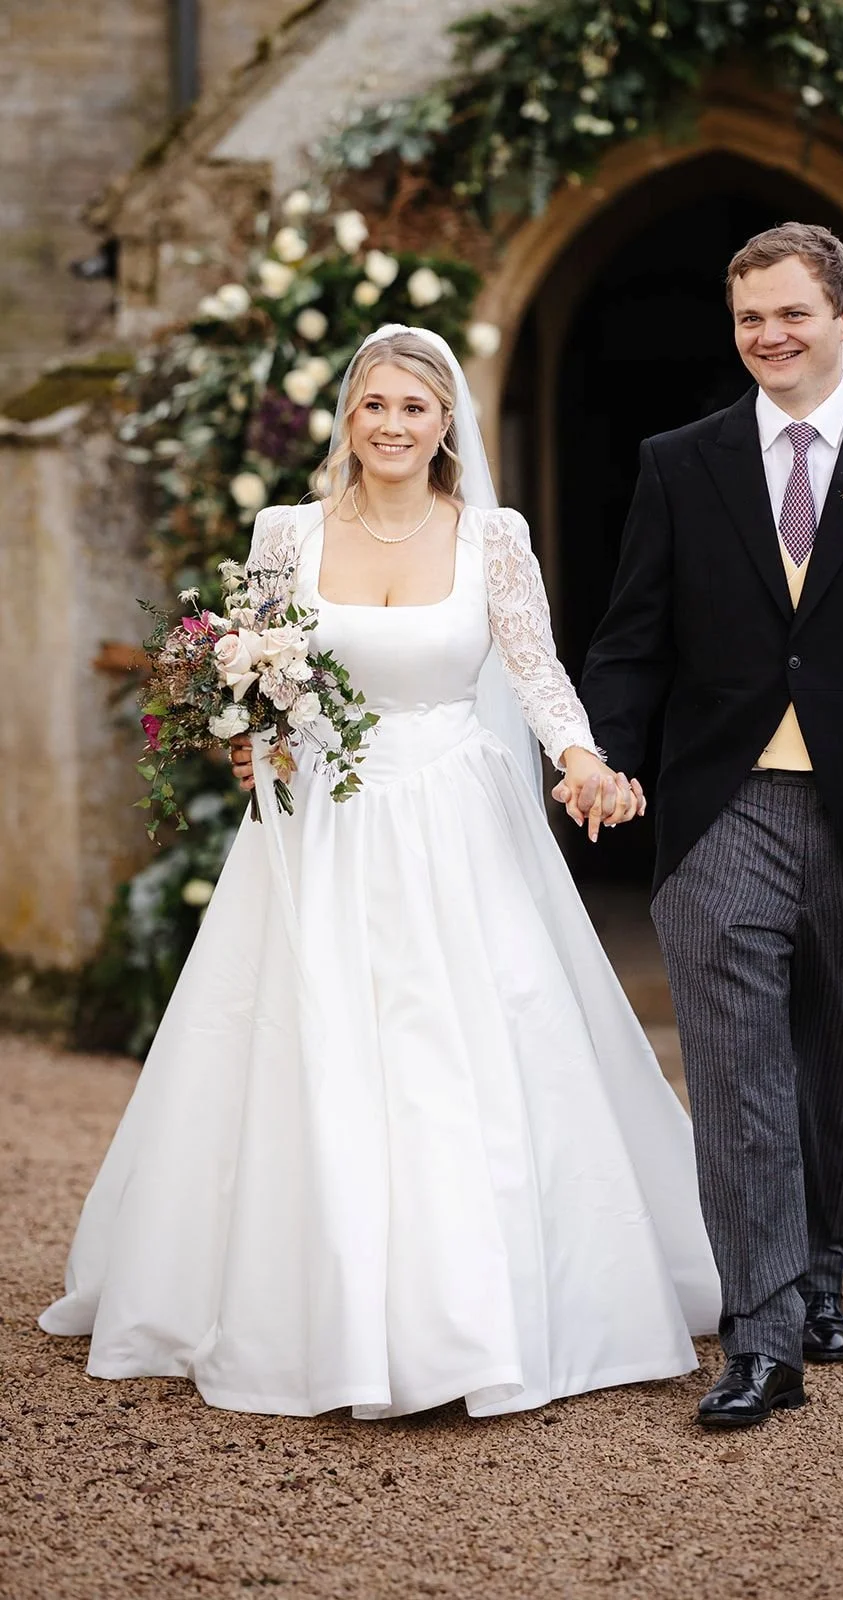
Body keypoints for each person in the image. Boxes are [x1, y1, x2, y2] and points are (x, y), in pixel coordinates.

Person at [40, 325, 720, 1419]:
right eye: (374, 406)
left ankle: (474, 1315)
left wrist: (583, 758)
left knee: (460, 1052)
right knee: (309, 1046)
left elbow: (536, 670)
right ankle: (310, 1308)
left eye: (414, 406)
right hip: (319, 828)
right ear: (346, 420)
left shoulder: (491, 535)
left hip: (455, 819)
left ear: (446, 422)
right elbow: (250, 677)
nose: (392, 425)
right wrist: (240, 731)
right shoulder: (287, 532)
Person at [579, 224, 843, 1429]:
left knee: (831, 1068)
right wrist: (602, 753)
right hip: (723, 810)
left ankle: (819, 1270)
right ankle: (760, 1335)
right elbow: (632, 640)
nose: (768, 336)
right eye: (748, 319)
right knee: (737, 1077)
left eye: (790, 314)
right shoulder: (681, 461)